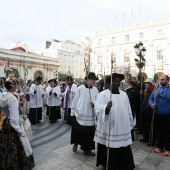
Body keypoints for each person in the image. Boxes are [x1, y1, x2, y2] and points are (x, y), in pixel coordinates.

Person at [94, 73, 135, 170]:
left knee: (123, 145)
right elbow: (98, 109)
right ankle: (109, 164)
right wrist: (106, 108)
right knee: (109, 146)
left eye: (118, 81)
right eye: (115, 81)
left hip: (122, 127)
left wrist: (130, 122)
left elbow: (128, 109)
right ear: (109, 82)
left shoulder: (124, 94)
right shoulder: (103, 94)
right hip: (109, 126)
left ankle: (124, 164)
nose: (117, 83)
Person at [0, 78, 35, 169]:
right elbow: (14, 118)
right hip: (10, 124)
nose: (17, 86)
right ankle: (13, 165)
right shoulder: (12, 98)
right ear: (13, 86)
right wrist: (18, 129)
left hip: (2, 121)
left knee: (4, 143)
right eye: (15, 84)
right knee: (15, 144)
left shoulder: (2, 95)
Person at [71, 72, 99, 156]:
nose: (94, 81)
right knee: (77, 131)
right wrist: (73, 112)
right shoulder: (80, 88)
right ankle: (75, 143)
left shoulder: (95, 90)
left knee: (89, 133)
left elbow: (98, 101)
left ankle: (87, 149)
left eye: (95, 80)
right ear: (87, 79)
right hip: (80, 113)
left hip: (90, 114)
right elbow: (75, 100)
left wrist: (94, 104)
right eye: (92, 80)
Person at [149, 74, 170, 156]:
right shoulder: (156, 89)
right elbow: (151, 99)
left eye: (163, 80)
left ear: (168, 80)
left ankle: (168, 148)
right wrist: (152, 105)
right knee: (159, 131)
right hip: (158, 114)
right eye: (160, 79)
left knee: (168, 132)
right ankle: (159, 146)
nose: (161, 81)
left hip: (168, 115)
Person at [140, 78, 155, 146]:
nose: (145, 84)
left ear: (151, 85)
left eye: (147, 83)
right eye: (145, 83)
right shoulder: (146, 91)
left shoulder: (154, 92)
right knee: (144, 126)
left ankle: (151, 140)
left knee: (150, 126)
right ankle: (145, 137)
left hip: (149, 111)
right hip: (144, 110)